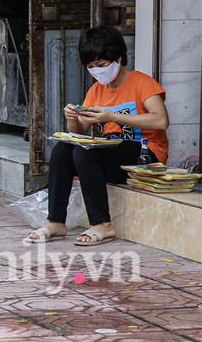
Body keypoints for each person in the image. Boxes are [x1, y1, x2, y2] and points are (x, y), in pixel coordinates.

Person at [25, 26, 169, 247]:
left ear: (119, 58)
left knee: (86, 153)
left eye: (100, 65)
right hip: (111, 156)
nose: (96, 71)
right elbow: (78, 133)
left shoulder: (141, 82)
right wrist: (72, 117)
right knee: (64, 150)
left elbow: (160, 120)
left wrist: (112, 116)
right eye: (91, 67)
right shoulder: (96, 90)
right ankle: (55, 222)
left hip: (145, 155)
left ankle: (102, 224)